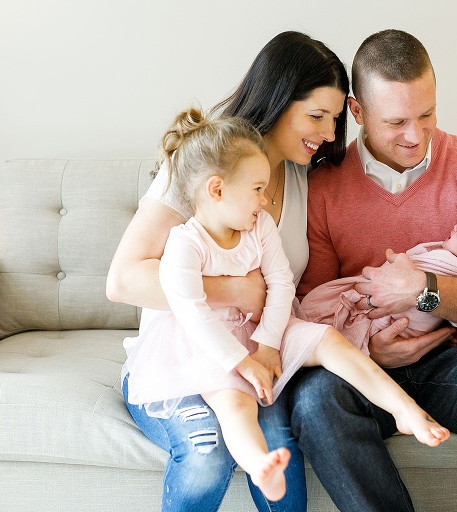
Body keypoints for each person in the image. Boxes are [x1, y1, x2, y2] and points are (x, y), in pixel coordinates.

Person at [125, 110, 451, 503]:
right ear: (217, 190)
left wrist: (267, 343)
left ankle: (403, 409)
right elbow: (192, 310)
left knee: (328, 340)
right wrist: (240, 361)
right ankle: (260, 464)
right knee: (234, 401)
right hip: (209, 339)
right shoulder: (184, 243)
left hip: (264, 325)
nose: (265, 200)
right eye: (257, 189)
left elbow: (280, 283)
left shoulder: (258, 224)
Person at [292, 29, 457, 511]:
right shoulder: (323, 186)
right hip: (365, 365)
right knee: (313, 402)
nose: (415, 135)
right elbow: (316, 303)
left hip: (455, 361)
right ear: (357, 112)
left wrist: (425, 292)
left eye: (427, 114)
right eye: (396, 122)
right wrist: (369, 350)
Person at [106, 31, 349, 512]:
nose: (327, 132)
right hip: (182, 358)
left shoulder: (304, 179)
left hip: (255, 357)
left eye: (335, 119)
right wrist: (235, 291)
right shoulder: (205, 164)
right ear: (278, 100)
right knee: (207, 455)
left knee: (279, 445)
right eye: (316, 116)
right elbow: (124, 280)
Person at [300, 215, 457, 352]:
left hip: (423, 341)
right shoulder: (324, 186)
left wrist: (419, 286)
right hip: (377, 346)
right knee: (317, 391)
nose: (456, 226)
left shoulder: (453, 265)